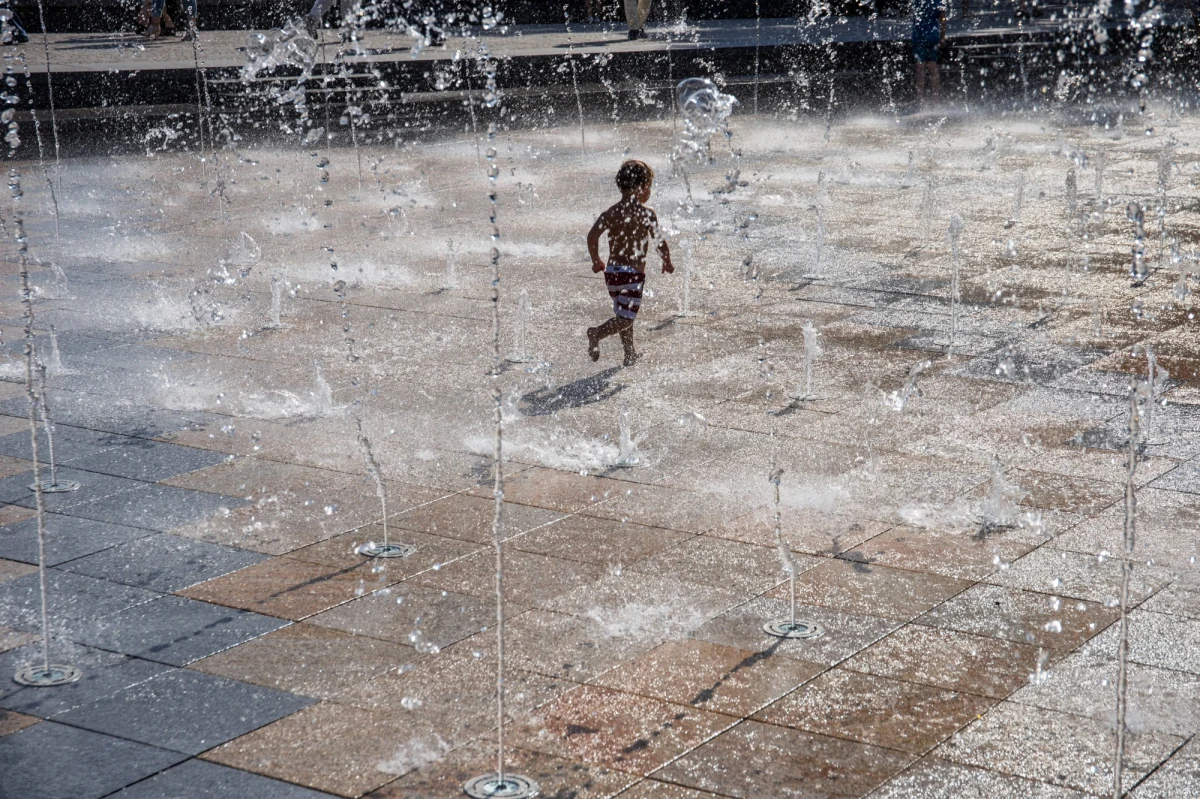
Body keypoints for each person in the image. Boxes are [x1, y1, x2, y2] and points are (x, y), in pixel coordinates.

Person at [586, 160, 673, 366]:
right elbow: (659, 241)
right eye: (649, 186)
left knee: (623, 312)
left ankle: (629, 353)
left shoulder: (611, 213)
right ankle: (596, 333)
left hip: (613, 273)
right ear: (642, 188)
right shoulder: (646, 213)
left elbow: (592, 236)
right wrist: (667, 260)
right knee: (627, 317)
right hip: (632, 275)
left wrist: (596, 259)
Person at [911, 0, 945, 105]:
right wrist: (943, 36)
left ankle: (920, 98)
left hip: (919, 36)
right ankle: (935, 98)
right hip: (932, 36)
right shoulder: (937, 1)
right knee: (932, 66)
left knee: (920, 68)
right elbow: (943, 19)